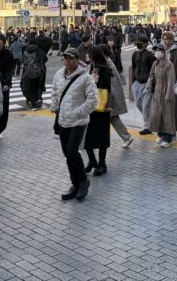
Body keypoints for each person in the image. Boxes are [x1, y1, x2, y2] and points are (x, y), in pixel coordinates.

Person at [51, 48, 98, 202]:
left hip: (78, 121)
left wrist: (79, 112)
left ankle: (84, 181)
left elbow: (93, 100)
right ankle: (75, 184)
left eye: (71, 58)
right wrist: (55, 106)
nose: (68, 61)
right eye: (65, 58)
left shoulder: (86, 78)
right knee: (67, 154)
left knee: (72, 152)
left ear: (77, 60)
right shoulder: (59, 74)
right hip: (63, 120)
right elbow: (54, 92)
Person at [84, 46, 113, 176]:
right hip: (90, 105)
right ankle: (92, 160)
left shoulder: (104, 68)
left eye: (89, 54)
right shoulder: (91, 66)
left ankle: (102, 163)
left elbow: (106, 87)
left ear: (94, 55)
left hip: (101, 106)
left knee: (101, 135)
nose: (87, 55)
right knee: (86, 135)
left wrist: (95, 81)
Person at [147, 43, 177, 148]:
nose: (156, 52)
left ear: (163, 51)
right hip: (157, 93)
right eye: (155, 50)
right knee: (157, 115)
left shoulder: (169, 64)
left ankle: (168, 138)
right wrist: (149, 85)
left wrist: (168, 95)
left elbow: (171, 81)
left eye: (159, 50)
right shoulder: (155, 63)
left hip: (167, 92)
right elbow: (151, 76)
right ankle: (161, 134)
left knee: (167, 117)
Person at [99, 44, 133, 148]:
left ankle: (126, 137)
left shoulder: (105, 63)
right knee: (111, 117)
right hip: (108, 95)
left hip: (108, 96)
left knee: (111, 117)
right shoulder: (107, 61)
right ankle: (126, 136)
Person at [130, 36, 155, 135]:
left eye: (141, 42)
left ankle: (147, 127)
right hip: (137, 82)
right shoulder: (135, 54)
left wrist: (151, 83)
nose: (138, 43)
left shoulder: (150, 55)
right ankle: (150, 120)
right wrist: (133, 81)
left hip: (147, 83)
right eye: (138, 41)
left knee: (146, 106)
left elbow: (153, 70)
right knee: (138, 104)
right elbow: (133, 67)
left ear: (145, 43)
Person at [20, 36, 47, 110]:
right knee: (38, 86)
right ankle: (38, 100)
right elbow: (45, 59)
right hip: (39, 72)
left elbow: (22, 61)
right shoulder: (39, 50)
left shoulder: (25, 51)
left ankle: (32, 103)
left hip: (28, 72)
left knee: (30, 87)